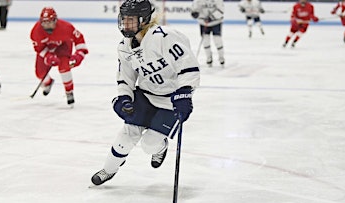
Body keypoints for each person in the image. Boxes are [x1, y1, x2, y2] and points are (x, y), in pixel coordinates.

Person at [90, 0, 200, 186]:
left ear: (144, 20)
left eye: (130, 20)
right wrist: (124, 97)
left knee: (149, 145)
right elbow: (126, 77)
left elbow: (187, 66)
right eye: (124, 19)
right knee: (125, 136)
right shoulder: (125, 46)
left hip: (170, 100)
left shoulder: (165, 37)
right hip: (146, 95)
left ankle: (161, 147)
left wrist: (184, 92)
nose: (125, 24)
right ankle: (109, 169)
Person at [30, 7, 88, 107]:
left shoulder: (66, 27)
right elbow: (38, 48)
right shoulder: (36, 31)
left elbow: (79, 39)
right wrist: (47, 56)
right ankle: (48, 83)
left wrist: (79, 54)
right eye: (44, 22)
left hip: (63, 46)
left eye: (49, 22)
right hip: (47, 49)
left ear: (55, 20)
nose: (46, 25)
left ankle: (69, 92)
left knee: (64, 66)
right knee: (40, 73)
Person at [190, 0, 225, 67]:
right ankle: (209, 58)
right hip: (203, 22)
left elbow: (221, 9)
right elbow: (194, 8)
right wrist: (194, 13)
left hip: (216, 22)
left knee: (217, 40)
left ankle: (221, 58)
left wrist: (212, 17)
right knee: (205, 41)